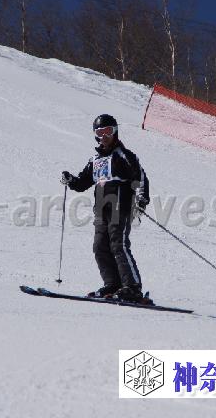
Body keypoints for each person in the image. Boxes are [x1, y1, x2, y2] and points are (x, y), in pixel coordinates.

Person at [61, 114, 150, 302]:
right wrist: (71, 180)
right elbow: (82, 183)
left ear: (115, 131)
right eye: (100, 132)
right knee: (100, 246)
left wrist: (141, 199)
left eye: (108, 131)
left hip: (120, 207)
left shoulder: (123, 155)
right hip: (101, 210)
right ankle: (113, 284)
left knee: (119, 245)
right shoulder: (95, 160)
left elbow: (140, 177)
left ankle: (132, 287)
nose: (104, 136)